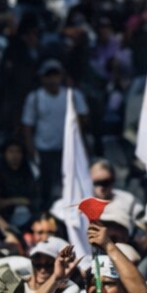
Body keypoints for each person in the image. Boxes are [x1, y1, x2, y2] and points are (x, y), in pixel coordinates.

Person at [19, 61, 87, 203]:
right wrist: (30, 147)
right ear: (42, 78)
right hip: (44, 149)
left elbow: (83, 118)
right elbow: (27, 124)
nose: (52, 80)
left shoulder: (73, 95)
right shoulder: (35, 98)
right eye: (48, 76)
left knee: (69, 184)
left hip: (68, 148)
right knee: (46, 186)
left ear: (61, 76)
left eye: (55, 75)